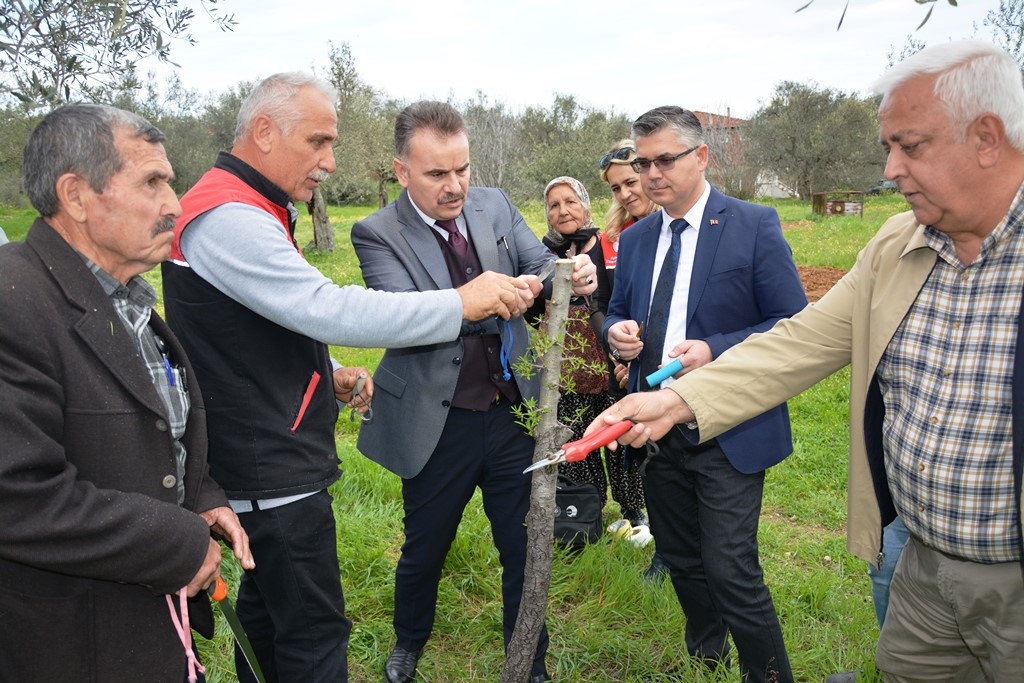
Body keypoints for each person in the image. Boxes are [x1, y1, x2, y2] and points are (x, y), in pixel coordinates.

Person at [591, 41, 1024, 682]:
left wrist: (706, 362)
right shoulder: (893, 246)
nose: (890, 171)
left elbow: (779, 317)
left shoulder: (752, 223)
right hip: (916, 557)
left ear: (987, 137)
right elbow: (802, 341)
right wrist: (675, 400)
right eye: (887, 148)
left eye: (911, 146)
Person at [162, 75, 536, 683]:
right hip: (270, 457)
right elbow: (324, 305)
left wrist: (327, 370)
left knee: (271, 613)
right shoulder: (230, 215)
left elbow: (261, 321)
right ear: (264, 132)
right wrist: (459, 303)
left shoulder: (248, 205)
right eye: (318, 142)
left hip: (267, 448)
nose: (330, 162)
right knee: (311, 631)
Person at [0, 103, 253, 682]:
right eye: (152, 182)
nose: (176, 204)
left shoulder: (129, 297)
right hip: (65, 645)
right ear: (77, 196)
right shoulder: (13, 303)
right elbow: (16, 495)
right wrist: (177, 542)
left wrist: (199, 493)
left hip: (140, 633)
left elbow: (147, 426)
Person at [350, 100, 597, 683]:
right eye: (437, 173)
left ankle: (529, 662)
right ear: (402, 170)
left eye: (462, 169)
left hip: (513, 414)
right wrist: (480, 295)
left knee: (524, 545)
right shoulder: (376, 233)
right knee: (425, 548)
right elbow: (401, 316)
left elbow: (539, 263)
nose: (455, 185)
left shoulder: (496, 205)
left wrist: (571, 274)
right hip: (438, 425)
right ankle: (409, 641)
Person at [602, 105, 807, 682]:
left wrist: (715, 347)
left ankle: (767, 674)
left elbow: (793, 322)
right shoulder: (638, 238)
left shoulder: (753, 223)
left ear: (701, 156)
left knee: (730, 568)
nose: (651, 174)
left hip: (729, 426)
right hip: (656, 427)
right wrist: (613, 333)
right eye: (643, 163)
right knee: (683, 557)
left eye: (665, 159)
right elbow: (617, 311)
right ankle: (707, 653)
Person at [598, 140, 666, 580]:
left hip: (679, 364)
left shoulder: (670, 227)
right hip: (637, 365)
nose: (624, 193)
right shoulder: (624, 236)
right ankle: (666, 549)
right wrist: (618, 349)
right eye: (615, 187)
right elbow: (613, 305)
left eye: (629, 180)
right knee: (652, 459)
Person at [532, 176, 612, 501]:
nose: (563, 211)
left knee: (614, 439)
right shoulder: (540, 255)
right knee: (574, 440)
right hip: (561, 372)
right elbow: (532, 313)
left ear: (586, 205)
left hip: (608, 367)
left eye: (570, 202)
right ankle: (584, 506)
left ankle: (634, 511)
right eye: (554, 205)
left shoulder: (608, 246)